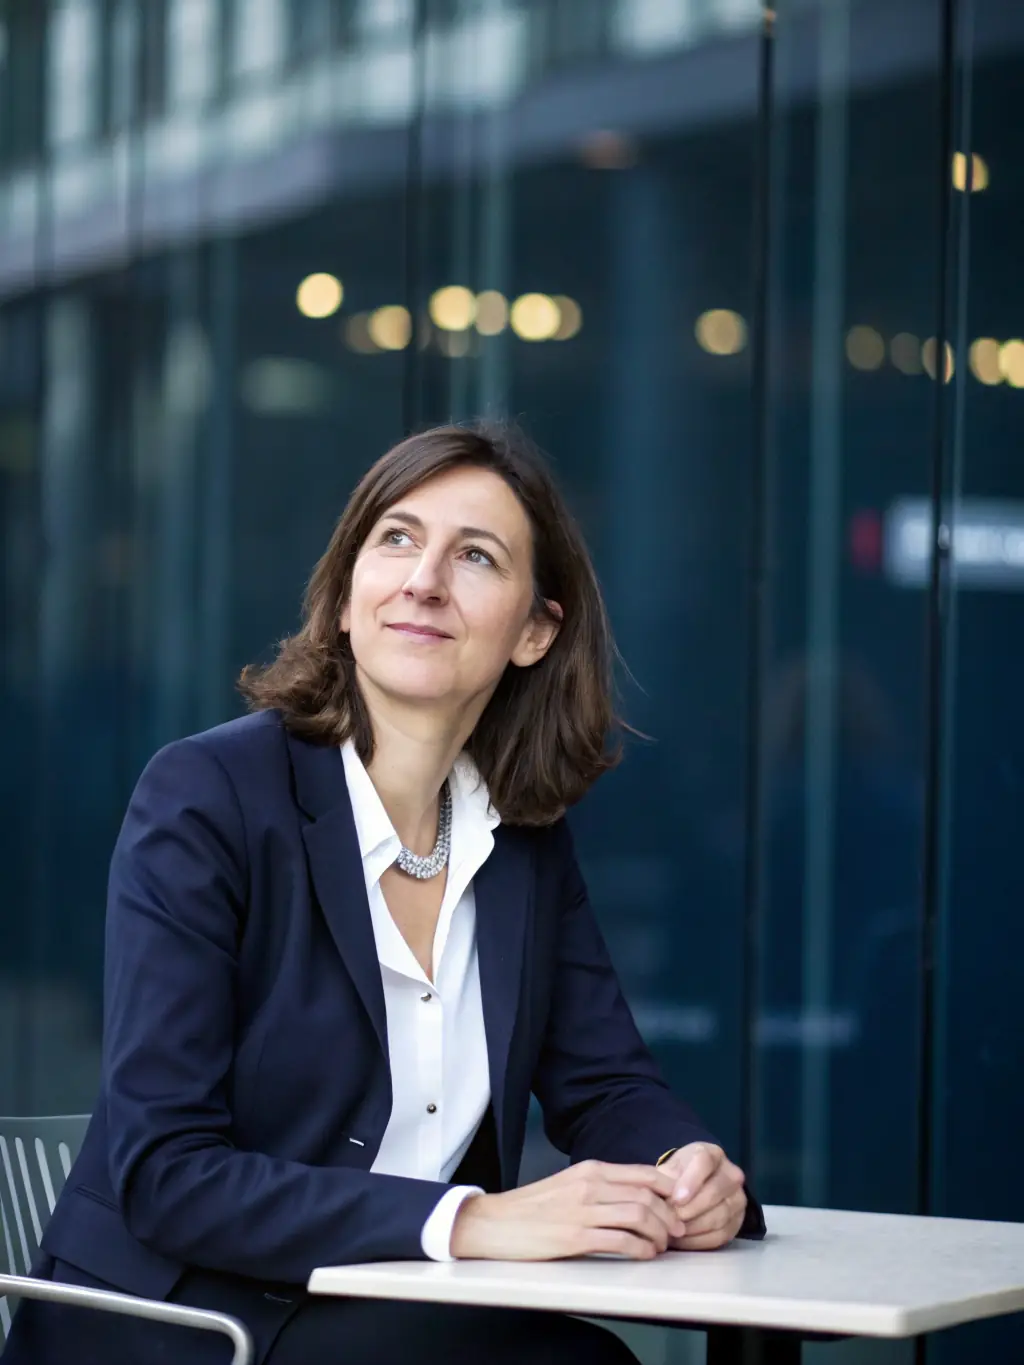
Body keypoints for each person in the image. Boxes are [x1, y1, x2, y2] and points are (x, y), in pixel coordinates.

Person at [7, 421, 765, 1365]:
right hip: (184, 1320)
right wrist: (474, 1218)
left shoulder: (519, 837)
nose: (424, 579)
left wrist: (682, 1168)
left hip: (401, 1305)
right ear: (346, 592)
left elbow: (604, 1082)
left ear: (536, 630)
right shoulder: (208, 795)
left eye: (476, 556)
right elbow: (169, 1176)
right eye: (396, 539)